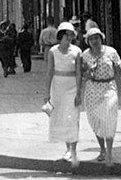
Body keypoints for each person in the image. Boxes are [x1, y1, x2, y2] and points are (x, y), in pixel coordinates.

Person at [80, 27, 121, 169]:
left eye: (96, 38)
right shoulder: (85, 55)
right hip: (92, 89)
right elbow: (82, 74)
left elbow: (120, 70)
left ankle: (109, 153)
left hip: (109, 88)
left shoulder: (111, 52)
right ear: (88, 42)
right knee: (95, 120)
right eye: (91, 39)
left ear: (101, 38)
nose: (94, 41)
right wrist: (86, 74)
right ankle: (102, 149)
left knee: (109, 119)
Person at [44, 21, 82, 168]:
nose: (69, 38)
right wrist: (46, 93)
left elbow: (78, 73)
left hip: (72, 86)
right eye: (66, 35)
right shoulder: (53, 51)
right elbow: (49, 73)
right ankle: (68, 149)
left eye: (71, 35)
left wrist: (79, 92)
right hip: (58, 87)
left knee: (72, 117)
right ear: (60, 36)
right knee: (62, 118)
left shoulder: (77, 51)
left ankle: (73, 150)